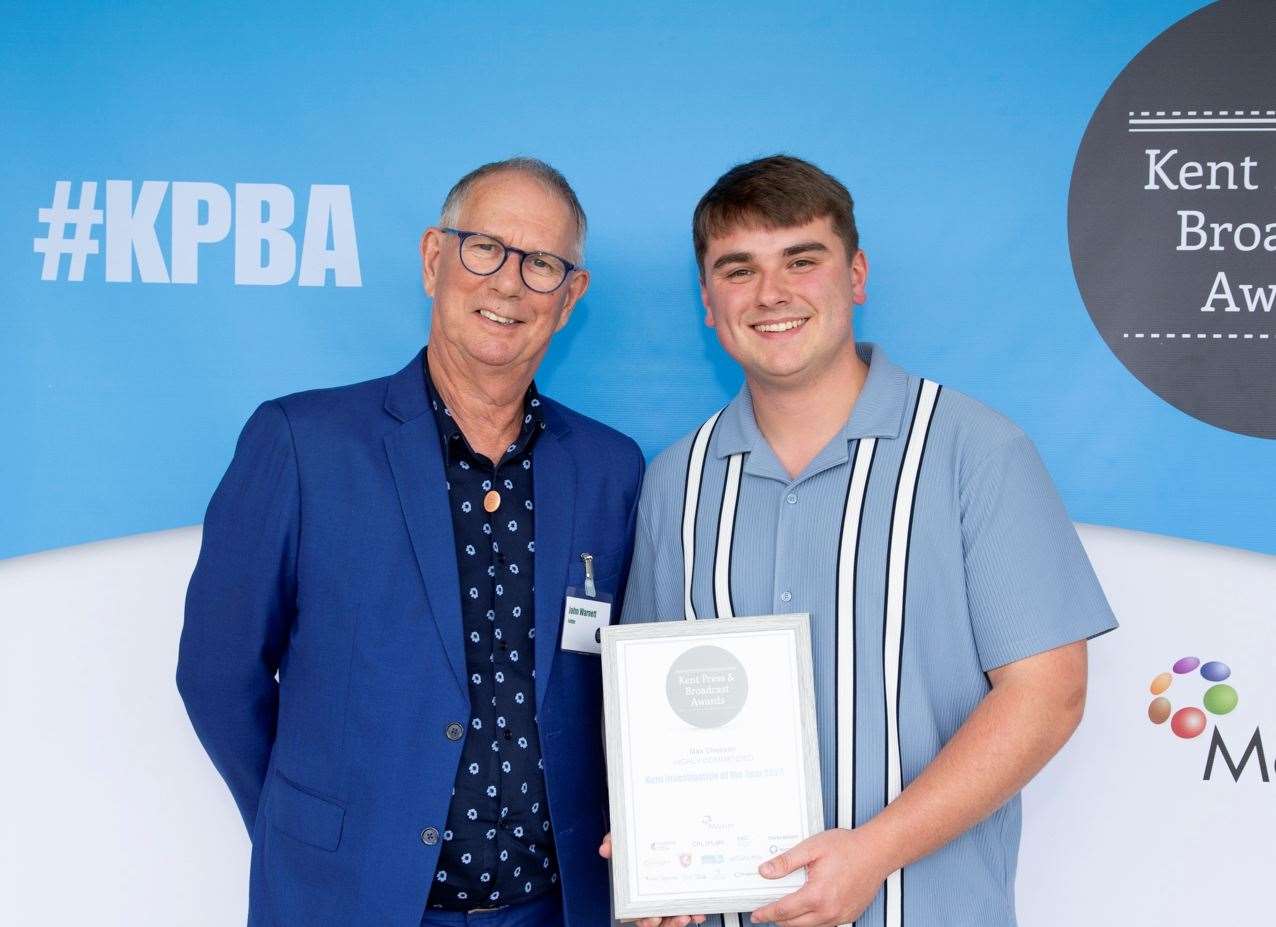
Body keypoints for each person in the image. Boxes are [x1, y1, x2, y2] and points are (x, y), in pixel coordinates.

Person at [608, 155, 1117, 927]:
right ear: (707, 303)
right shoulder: (674, 480)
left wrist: (871, 852)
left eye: (801, 261)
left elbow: (1048, 695)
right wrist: (658, 857)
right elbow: (653, 716)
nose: (771, 294)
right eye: (738, 270)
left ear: (856, 274)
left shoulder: (972, 450)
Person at [178, 157, 643, 927]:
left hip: (555, 909)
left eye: (541, 264)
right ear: (435, 258)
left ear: (569, 299)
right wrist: (311, 833)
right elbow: (217, 672)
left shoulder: (608, 467)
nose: (507, 283)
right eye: (485, 247)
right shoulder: (303, 443)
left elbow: (624, 684)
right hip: (350, 903)